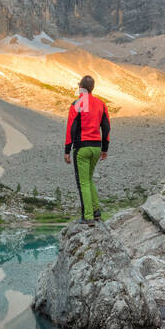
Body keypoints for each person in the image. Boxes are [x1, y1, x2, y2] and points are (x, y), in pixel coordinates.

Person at [64, 74, 110, 224]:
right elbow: (106, 127)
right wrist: (105, 148)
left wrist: (67, 150)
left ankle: (88, 216)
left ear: (81, 87)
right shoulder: (101, 104)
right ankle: (96, 211)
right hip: (96, 148)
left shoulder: (77, 104)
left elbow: (71, 128)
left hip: (82, 148)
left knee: (83, 182)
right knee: (89, 180)